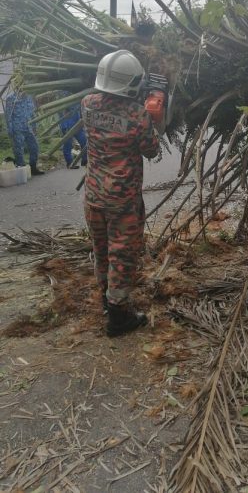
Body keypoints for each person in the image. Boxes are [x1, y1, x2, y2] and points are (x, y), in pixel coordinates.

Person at [82, 50, 162, 337]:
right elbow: (151, 149)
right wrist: (154, 118)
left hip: (93, 196)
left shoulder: (87, 103)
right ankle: (118, 316)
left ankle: (106, 299)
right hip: (122, 201)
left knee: (101, 249)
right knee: (122, 254)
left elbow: (110, 116)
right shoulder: (138, 115)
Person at [4, 89, 44, 175]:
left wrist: (34, 126)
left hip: (28, 127)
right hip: (17, 127)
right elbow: (8, 115)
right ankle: (21, 169)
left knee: (34, 147)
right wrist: (10, 130)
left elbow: (32, 113)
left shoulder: (29, 97)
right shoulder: (11, 98)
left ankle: (33, 168)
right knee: (19, 149)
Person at [58, 94, 87, 168]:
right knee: (68, 145)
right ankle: (70, 163)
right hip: (67, 126)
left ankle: (85, 160)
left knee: (84, 141)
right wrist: (64, 126)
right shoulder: (63, 96)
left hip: (77, 124)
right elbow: (62, 114)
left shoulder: (76, 94)